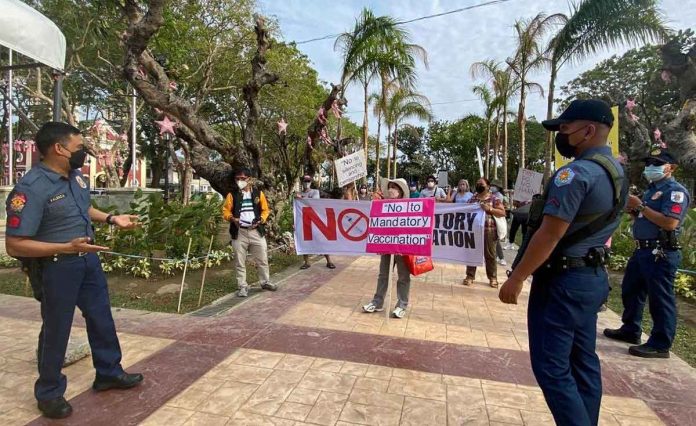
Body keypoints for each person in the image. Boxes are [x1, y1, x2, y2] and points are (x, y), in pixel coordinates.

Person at [499, 99, 627, 426]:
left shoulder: (574, 173)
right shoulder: (617, 173)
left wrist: (517, 278)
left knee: (552, 367)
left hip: (562, 283)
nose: (561, 135)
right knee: (583, 361)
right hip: (591, 279)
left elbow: (550, 234)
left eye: (565, 128)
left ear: (588, 130)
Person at [4, 122, 143, 419]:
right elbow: (15, 245)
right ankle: (49, 393)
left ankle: (108, 372)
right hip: (56, 267)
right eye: (79, 148)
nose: (83, 153)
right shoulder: (30, 189)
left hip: (86, 262)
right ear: (58, 148)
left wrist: (110, 219)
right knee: (57, 329)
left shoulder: (75, 177)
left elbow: (83, 208)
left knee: (101, 317)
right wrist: (65, 247)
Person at [604, 150, 690, 358]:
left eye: (657, 163)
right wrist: (634, 209)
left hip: (660, 251)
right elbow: (645, 215)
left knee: (660, 298)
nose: (651, 166)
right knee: (631, 290)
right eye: (649, 163)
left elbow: (670, 222)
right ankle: (630, 329)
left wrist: (640, 205)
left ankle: (660, 344)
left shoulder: (675, 191)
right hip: (642, 249)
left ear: (672, 168)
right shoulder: (651, 190)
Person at [222, 168, 277, 297]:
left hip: (256, 231)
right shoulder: (232, 195)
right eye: (237, 178)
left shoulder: (258, 194)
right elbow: (225, 211)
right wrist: (232, 218)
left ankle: (265, 282)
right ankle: (242, 286)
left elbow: (265, 210)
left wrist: (261, 220)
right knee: (240, 261)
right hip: (239, 231)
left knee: (262, 258)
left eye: (242, 178)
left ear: (249, 179)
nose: (239, 181)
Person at [362, 178, 412, 319]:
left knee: (403, 276)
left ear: (401, 191)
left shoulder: (409, 206)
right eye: (390, 187)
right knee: (383, 275)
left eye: (394, 187)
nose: (391, 190)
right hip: (386, 246)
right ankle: (377, 302)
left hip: (402, 247)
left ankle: (401, 305)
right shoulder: (382, 205)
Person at [463, 177, 506, 288]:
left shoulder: (494, 199)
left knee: (490, 255)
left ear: (488, 186)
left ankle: (492, 278)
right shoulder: (472, 199)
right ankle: (470, 276)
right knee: (472, 253)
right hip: (474, 231)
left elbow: (502, 212)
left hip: (489, 231)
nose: (478, 185)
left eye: (481, 183)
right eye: (477, 183)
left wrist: (489, 209)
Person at [295, 175, 336, 269]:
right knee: (304, 240)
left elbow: (313, 202)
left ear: (311, 182)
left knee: (321, 240)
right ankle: (306, 262)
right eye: (305, 181)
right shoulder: (298, 193)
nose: (306, 182)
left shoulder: (315, 192)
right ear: (302, 182)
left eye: (308, 181)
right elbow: (296, 208)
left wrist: (300, 198)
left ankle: (329, 261)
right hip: (304, 220)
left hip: (316, 220)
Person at [490, 180, 508, 266]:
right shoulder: (493, 195)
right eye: (491, 185)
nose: (492, 187)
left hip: (497, 219)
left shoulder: (498, 196)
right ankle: (496, 256)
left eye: (494, 186)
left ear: (498, 187)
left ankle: (502, 258)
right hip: (493, 219)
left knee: (496, 239)